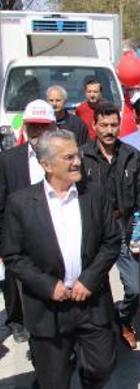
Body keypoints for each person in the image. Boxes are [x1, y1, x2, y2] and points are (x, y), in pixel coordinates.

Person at [2, 129, 120, 389]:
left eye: (77, 155)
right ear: (46, 164)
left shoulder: (94, 193)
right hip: (47, 308)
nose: (77, 161)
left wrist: (88, 279)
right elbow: (13, 256)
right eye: (68, 157)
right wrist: (47, 285)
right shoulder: (20, 203)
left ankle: (91, 387)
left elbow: (111, 242)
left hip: (90, 301)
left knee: (102, 364)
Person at [80, 102, 140, 350]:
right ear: (94, 125)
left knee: (136, 287)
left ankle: (123, 320)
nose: (109, 130)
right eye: (104, 125)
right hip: (92, 229)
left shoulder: (132, 155)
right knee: (93, 285)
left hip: (124, 226)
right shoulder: (81, 157)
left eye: (113, 124)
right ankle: (101, 332)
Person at [0, 99, 57, 344]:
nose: (37, 132)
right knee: (18, 285)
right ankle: (20, 322)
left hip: (54, 235)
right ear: (25, 126)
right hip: (20, 237)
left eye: (43, 127)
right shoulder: (9, 160)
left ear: (53, 127)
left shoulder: (64, 156)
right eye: (33, 126)